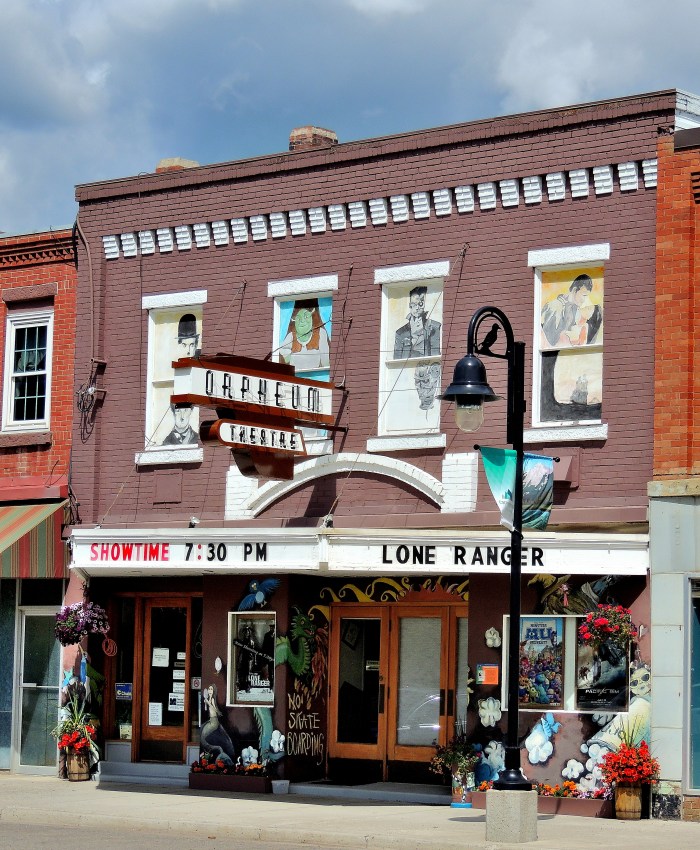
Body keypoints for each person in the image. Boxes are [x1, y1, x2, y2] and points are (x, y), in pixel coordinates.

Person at [540, 274, 602, 348]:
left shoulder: (575, 309)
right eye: (584, 295)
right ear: (574, 290)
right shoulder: (554, 307)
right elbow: (550, 340)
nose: (584, 300)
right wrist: (567, 335)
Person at [278, 298, 330, 371]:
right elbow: (282, 351)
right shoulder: (291, 336)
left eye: (306, 316)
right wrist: (290, 356)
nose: (302, 321)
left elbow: (326, 363)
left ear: (313, 317)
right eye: (298, 318)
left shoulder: (321, 334)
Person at [393, 286, 441, 359]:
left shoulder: (434, 327)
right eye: (414, 304)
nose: (417, 307)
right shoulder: (400, 333)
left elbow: (436, 357)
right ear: (410, 306)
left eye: (420, 304)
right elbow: (396, 361)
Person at [236, 625, 256, 694]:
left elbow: (254, 651)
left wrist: (254, 660)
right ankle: (242, 687)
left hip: (249, 659)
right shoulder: (242, 641)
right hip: (243, 658)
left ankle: (247, 687)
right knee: (242, 673)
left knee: (248, 674)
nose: (247, 634)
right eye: (246, 632)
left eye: (248, 632)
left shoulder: (251, 642)